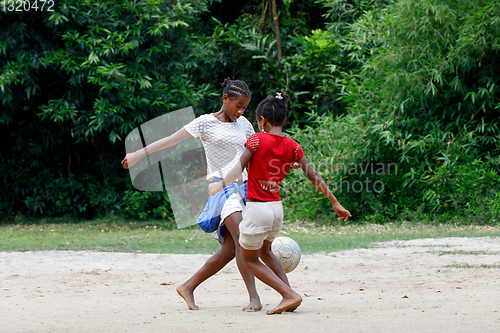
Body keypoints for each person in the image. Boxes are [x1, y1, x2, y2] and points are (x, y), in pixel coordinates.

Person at [122, 78, 263, 312]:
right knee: (242, 240)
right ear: (224, 99)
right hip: (221, 188)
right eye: (238, 105)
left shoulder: (245, 125)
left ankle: (188, 286)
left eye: (245, 107)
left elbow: (256, 152)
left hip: (244, 188)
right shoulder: (205, 123)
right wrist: (138, 154)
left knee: (230, 250)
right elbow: (171, 140)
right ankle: (254, 299)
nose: (241, 111)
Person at [208, 92, 351, 315]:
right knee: (266, 252)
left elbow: (238, 168)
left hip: (257, 209)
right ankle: (290, 295)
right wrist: (335, 202)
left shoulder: (256, 140)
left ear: (262, 120)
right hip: (277, 210)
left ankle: (289, 295)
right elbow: (314, 176)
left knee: (249, 260)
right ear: (283, 121)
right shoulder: (293, 146)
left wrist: (219, 186)